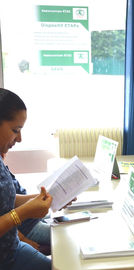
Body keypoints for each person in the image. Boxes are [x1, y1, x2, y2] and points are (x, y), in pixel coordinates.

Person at [0, 88, 52, 270]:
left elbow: (5, 200)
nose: (20, 139)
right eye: (16, 130)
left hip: (12, 248)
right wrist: (24, 212)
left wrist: (40, 198)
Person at [1, 154, 50, 254]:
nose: (19, 139)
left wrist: (50, 197)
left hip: (28, 222)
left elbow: (10, 199)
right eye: (15, 136)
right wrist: (23, 239)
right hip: (23, 230)